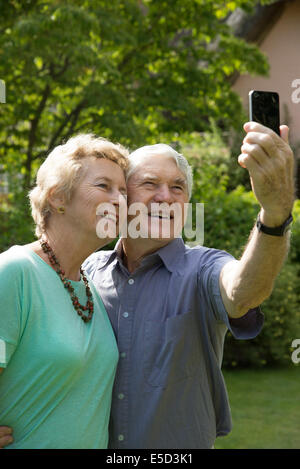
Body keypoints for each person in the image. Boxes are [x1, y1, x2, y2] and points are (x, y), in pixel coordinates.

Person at [0, 122, 295, 449]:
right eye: (148, 184)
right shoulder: (82, 273)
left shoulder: (203, 269)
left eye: (178, 188)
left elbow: (243, 290)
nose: (165, 197)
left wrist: (273, 215)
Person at [0, 133, 129, 449]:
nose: (120, 200)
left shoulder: (88, 284)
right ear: (58, 197)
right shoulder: (16, 272)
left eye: (124, 191)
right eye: (104, 186)